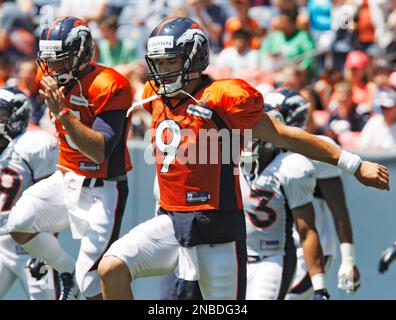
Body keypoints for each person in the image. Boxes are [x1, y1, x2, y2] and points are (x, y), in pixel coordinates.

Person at [98, 17, 389, 300]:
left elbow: (286, 135)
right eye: (158, 62)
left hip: (219, 229)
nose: (162, 70)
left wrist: (354, 164)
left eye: (170, 61)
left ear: (194, 58)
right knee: (111, 267)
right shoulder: (154, 96)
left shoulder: (224, 98)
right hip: (172, 222)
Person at [6, 16, 133, 300]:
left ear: (82, 54)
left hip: (104, 189)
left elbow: (99, 151)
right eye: (48, 60)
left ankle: (77, 280)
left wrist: (62, 113)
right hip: (65, 178)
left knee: (91, 284)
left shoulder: (110, 85)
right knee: (19, 223)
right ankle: (65, 271)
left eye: (60, 60)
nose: (52, 67)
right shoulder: (47, 76)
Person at [262, 88, 360, 299]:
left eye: (275, 114)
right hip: (277, 249)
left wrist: (349, 259)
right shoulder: (261, 150)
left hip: (311, 251)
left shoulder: (317, 150)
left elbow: (339, 209)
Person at [240, 104, 329, 300]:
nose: (246, 139)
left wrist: (319, 286)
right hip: (237, 259)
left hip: (273, 258)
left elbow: (306, 230)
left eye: (253, 132)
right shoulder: (234, 164)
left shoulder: (290, 167)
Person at [0, 86, 58, 300]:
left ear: (17, 115)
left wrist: (48, 249)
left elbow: (51, 202)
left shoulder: (34, 145)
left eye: (1, 114)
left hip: (32, 242)